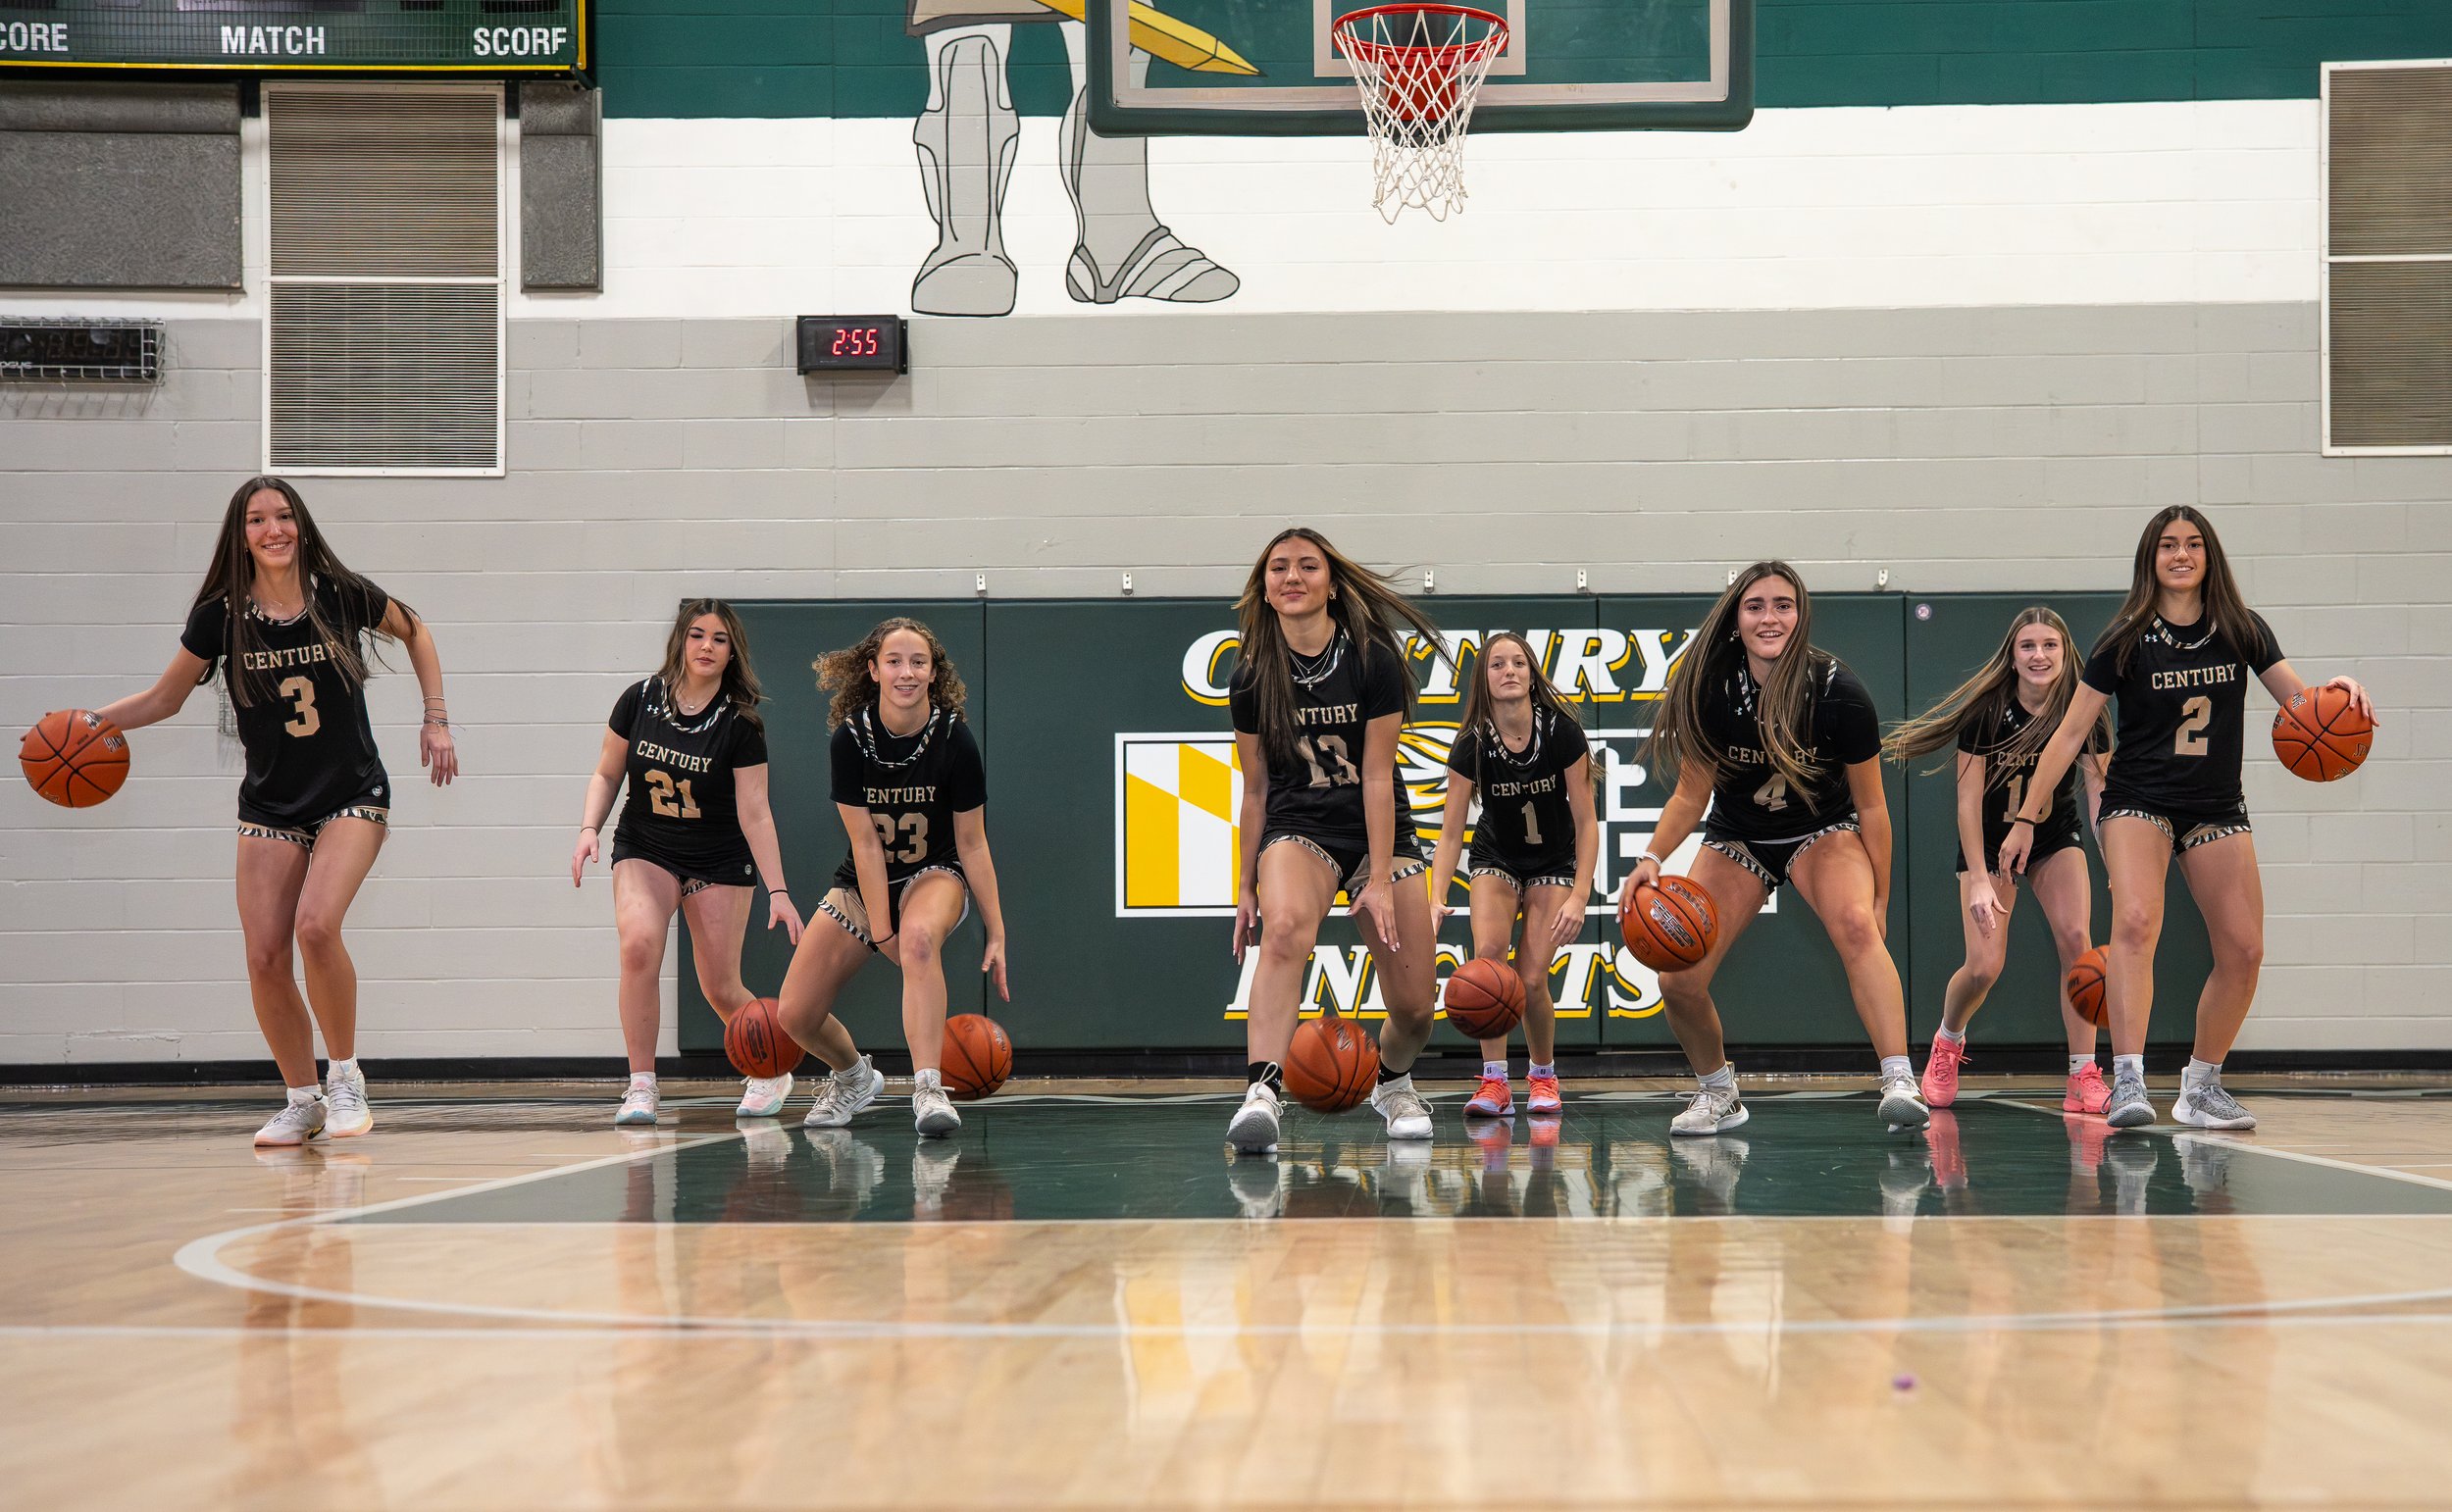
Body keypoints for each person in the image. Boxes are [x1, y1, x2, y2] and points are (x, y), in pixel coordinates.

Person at [90, 476, 457, 1145]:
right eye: (257, 520)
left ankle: (345, 1078)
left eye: (284, 516)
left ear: (301, 525)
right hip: (271, 802)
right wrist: (92, 723)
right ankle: (302, 1099)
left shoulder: (342, 595)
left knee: (317, 927)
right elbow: (163, 699)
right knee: (263, 956)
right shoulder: (220, 616)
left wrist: (437, 720)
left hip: (352, 791)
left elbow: (417, 631)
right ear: (242, 536)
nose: (274, 529)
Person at [2002, 506, 2375, 1130]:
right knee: (2137, 922)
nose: (2181, 554)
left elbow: (2301, 707)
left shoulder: (2242, 629)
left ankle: (2201, 1087)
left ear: (2210, 556)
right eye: (2168, 545)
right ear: (2151, 557)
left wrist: (2338, 689)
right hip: (2137, 799)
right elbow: (2069, 734)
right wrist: (2026, 820)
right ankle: (2127, 1081)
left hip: (2213, 803)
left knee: (2245, 949)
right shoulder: (2124, 637)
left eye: (2194, 544)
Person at [1631, 561, 1926, 1135]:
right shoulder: (1710, 686)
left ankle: (1898, 1080)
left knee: (1858, 928)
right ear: (1736, 618)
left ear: (1801, 615)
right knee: (1678, 979)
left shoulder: (1841, 692)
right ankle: (1719, 1094)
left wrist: (1882, 899)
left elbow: (1872, 810)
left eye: (1783, 605)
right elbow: (1691, 796)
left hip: (1823, 829)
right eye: (1756, 605)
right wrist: (1651, 859)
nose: (1771, 617)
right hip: (1738, 835)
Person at [1226, 528, 1454, 1154]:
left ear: (1330, 582)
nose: (1292, 577)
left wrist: (1379, 879)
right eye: (1279, 568)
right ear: (1265, 588)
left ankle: (1393, 1081)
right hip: (1302, 826)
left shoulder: (1372, 658)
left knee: (1413, 1009)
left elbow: (1378, 776)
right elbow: (1254, 791)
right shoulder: (1249, 675)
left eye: (1306, 566)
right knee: (1285, 928)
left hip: (1380, 827)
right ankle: (1262, 1094)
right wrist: (1245, 887)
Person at [573, 600, 809, 1125]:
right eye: (697, 634)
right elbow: (607, 774)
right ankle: (641, 1085)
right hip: (646, 845)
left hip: (717, 855)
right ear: (680, 640)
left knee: (720, 987)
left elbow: (756, 814)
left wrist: (779, 891)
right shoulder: (638, 700)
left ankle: (771, 1066)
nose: (707, 646)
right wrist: (590, 828)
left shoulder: (741, 723)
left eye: (720, 639)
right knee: (637, 946)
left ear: (732, 652)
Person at [772, 618, 1010, 1137]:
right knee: (794, 1014)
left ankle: (928, 1088)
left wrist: (996, 928)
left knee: (921, 940)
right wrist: (881, 930)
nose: (907, 672)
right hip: (863, 880)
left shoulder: (955, 739)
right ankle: (854, 1077)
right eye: (895, 661)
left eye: (918, 662)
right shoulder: (850, 740)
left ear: (933, 673)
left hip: (933, 871)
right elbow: (864, 844)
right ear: (873, 670)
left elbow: (972, 842)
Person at [1886, 608, 2113, 1112]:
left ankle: (2083, 1074)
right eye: (2028, 646)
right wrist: (1979, 881)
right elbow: (1966, 804)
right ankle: (1948, 1039)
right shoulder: (1987, 710)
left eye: (2049, 645)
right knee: (1985, 967)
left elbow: (2100, 796)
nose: (2039, 655)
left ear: (2065, 652)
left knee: (2079, 943)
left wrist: (2116, 863)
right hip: (1989, 844)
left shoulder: (2084, 710)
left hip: (2053, 836)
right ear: (2012, 656)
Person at [1427, 631, 1598, 1120]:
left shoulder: (1562, 732)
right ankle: (1494, 1083)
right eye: (1498, 663)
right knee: (1489, 969)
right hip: (1496, 855)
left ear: (1531, 674)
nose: (1509, 671)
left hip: (1553, 861)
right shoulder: (1471, 745)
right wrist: (1436, 896)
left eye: (1518, 663)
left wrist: (1579, 895)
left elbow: (1587, 821)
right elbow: (1450, 833)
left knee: (1532, 978)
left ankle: (1543, 1077)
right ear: (1484, 678)